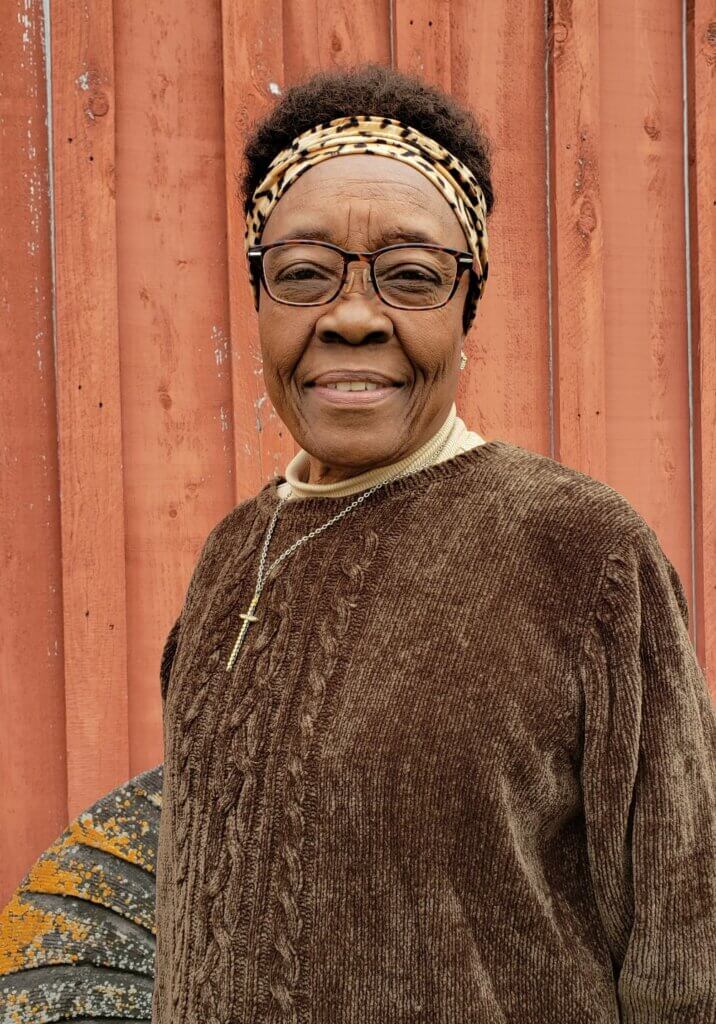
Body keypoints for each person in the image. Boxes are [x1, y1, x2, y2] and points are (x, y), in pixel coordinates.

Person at [151, 64, 716, 1024]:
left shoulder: (580, 551)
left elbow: (685, 938)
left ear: (468, 313)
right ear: (259, 303)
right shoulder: (231, 553)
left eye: (411, 277)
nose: (354, 317)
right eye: (302, 274)